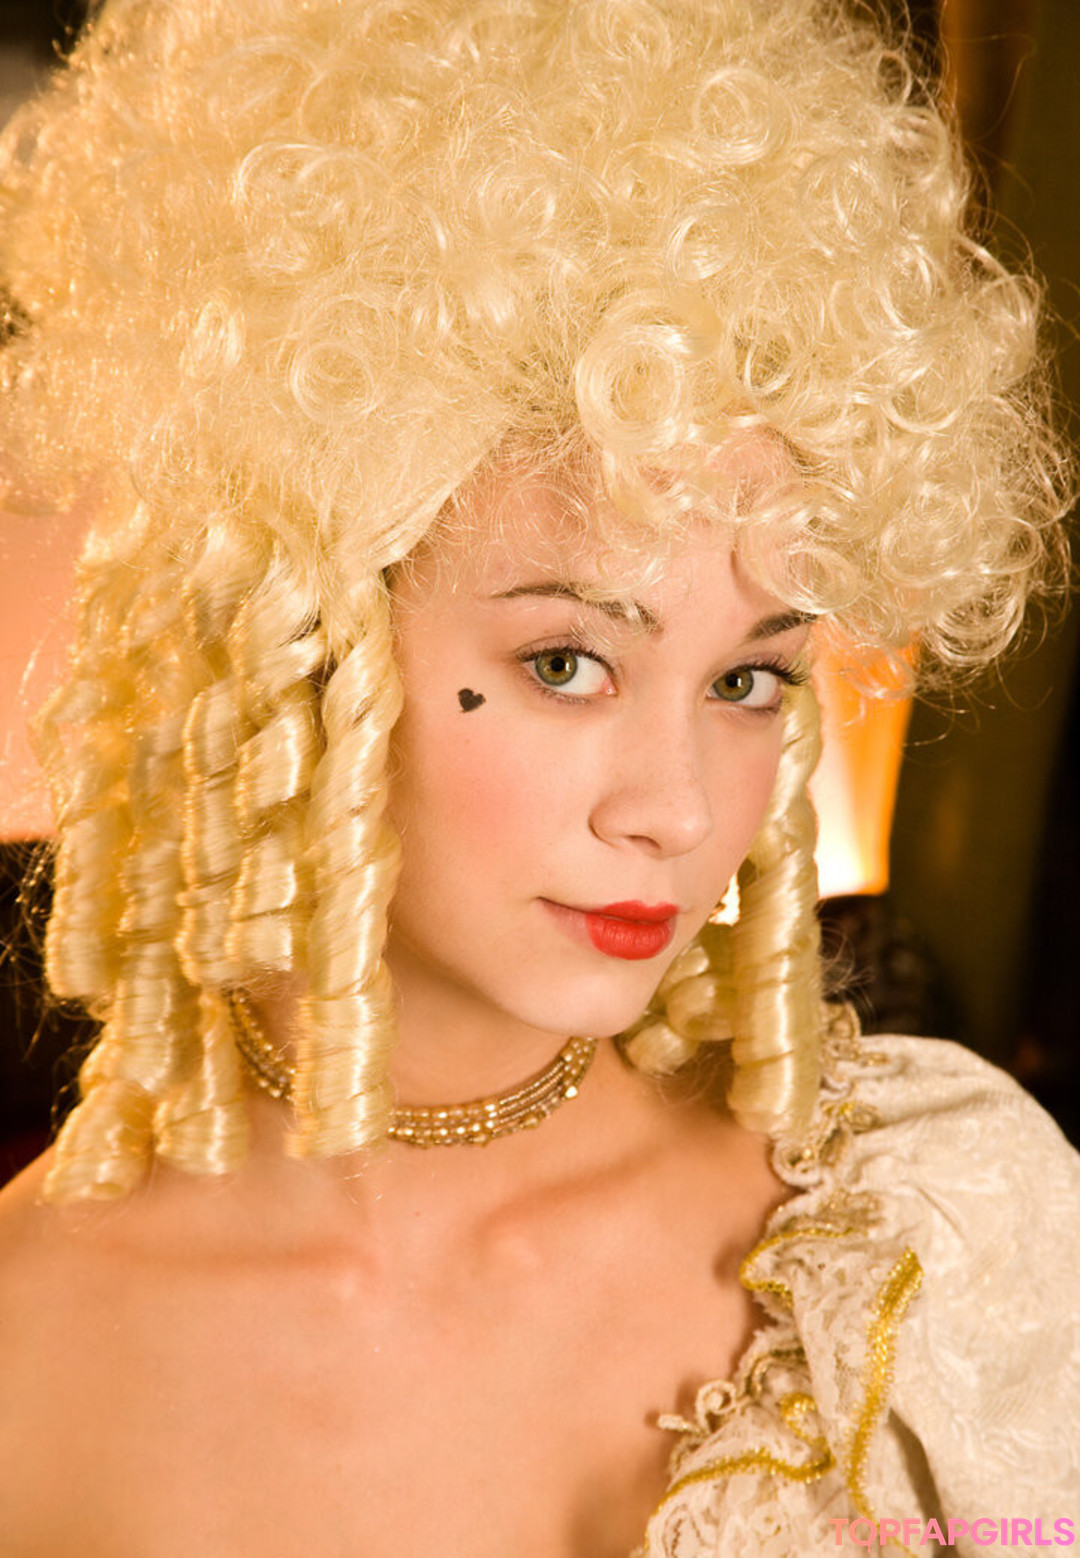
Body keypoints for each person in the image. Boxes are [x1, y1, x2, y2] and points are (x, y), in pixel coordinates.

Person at [0, 1, 1077, 1553]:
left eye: (746, 680)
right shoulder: (36, 1354)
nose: (677, 809)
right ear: (298, 638)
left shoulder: (942, 1239)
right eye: (568, 662)